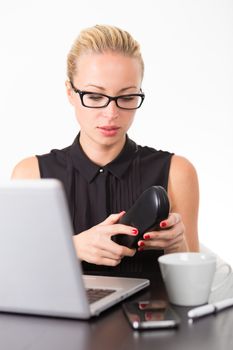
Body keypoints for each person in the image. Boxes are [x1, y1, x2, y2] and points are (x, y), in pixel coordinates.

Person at [11, 24, 199, 278]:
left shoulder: (177, 172)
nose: (111, 114)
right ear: (70, 93)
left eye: (127, 97)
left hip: (151, 318)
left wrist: (178, 246)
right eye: (95, 96)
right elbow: (15, 276)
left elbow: (193, 293)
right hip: (64, 319)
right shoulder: (31, 174)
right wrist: (72, 247)